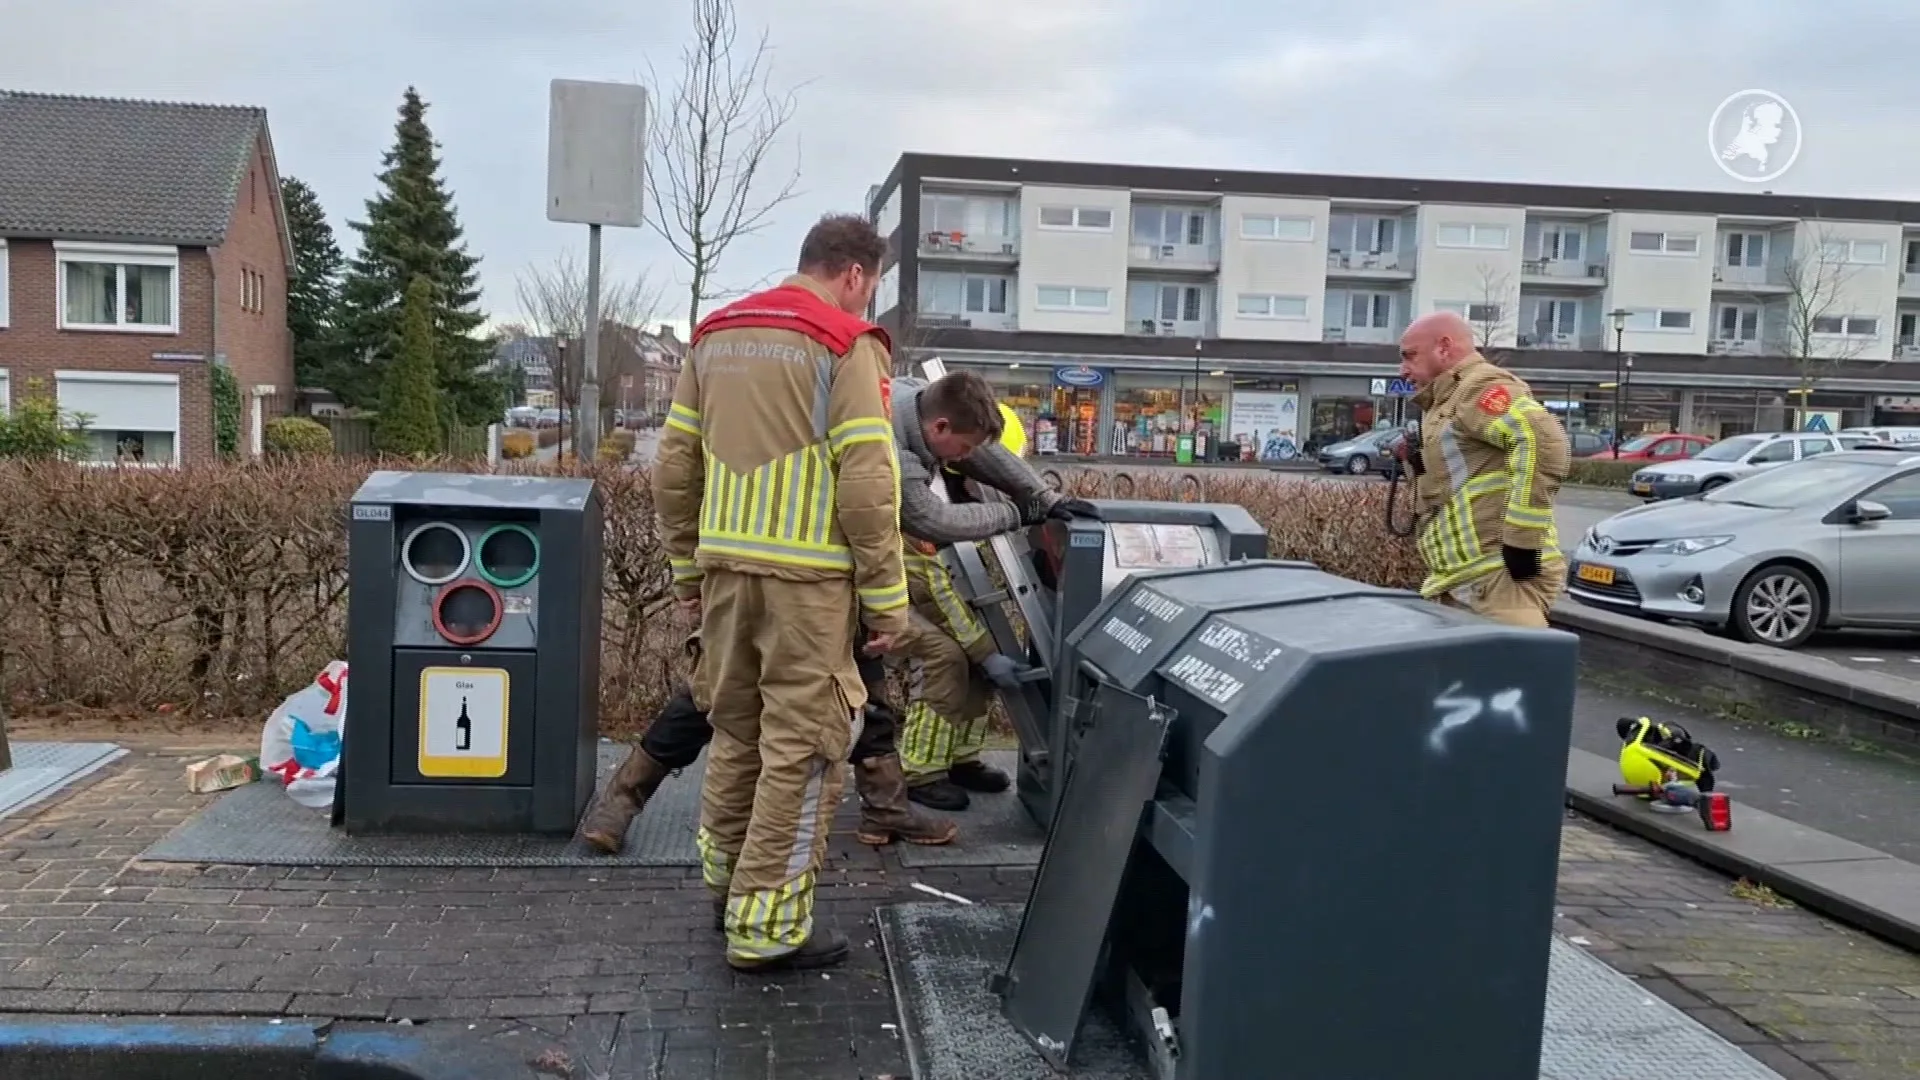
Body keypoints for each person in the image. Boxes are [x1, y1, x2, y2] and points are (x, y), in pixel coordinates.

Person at [651, 213, 908, 974]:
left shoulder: (715, 335)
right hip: (811, 589)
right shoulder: (845, 343)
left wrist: (687, 573)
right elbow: (867, 483)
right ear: (856, 275)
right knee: (803, 750)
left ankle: (729, 889)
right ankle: (768, 928)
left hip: (727, 576)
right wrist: (888, 600)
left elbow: (674, 467)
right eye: (872, 288)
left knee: (736, 733)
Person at [579, 626, 953, 872]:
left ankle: (886, 808)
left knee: (865, 697)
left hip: (831, 593)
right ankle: (621, 800)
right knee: (709, 694)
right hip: (754, 583)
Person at [887, 372, 1096, 809]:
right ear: (939, 428)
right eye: (962, 450)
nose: (965, 461)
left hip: (902, 575)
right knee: (943, 655)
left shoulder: (924, 417)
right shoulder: (895, 454)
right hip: (855, 576)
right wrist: (1018, 512)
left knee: (976, 656)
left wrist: (1045, 497)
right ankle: (919, 773)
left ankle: (961, 759)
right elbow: (932, 568)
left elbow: (985, 457)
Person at [1392, 311, 1571, 628]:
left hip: (1496, 579)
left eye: (1410, 356)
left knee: (1515, 674)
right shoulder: (1445, 400)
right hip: (1469, 579)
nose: (1403, 370)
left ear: (1444, 347)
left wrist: (1522, 546)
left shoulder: (1478, 388)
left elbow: (1541, 441)